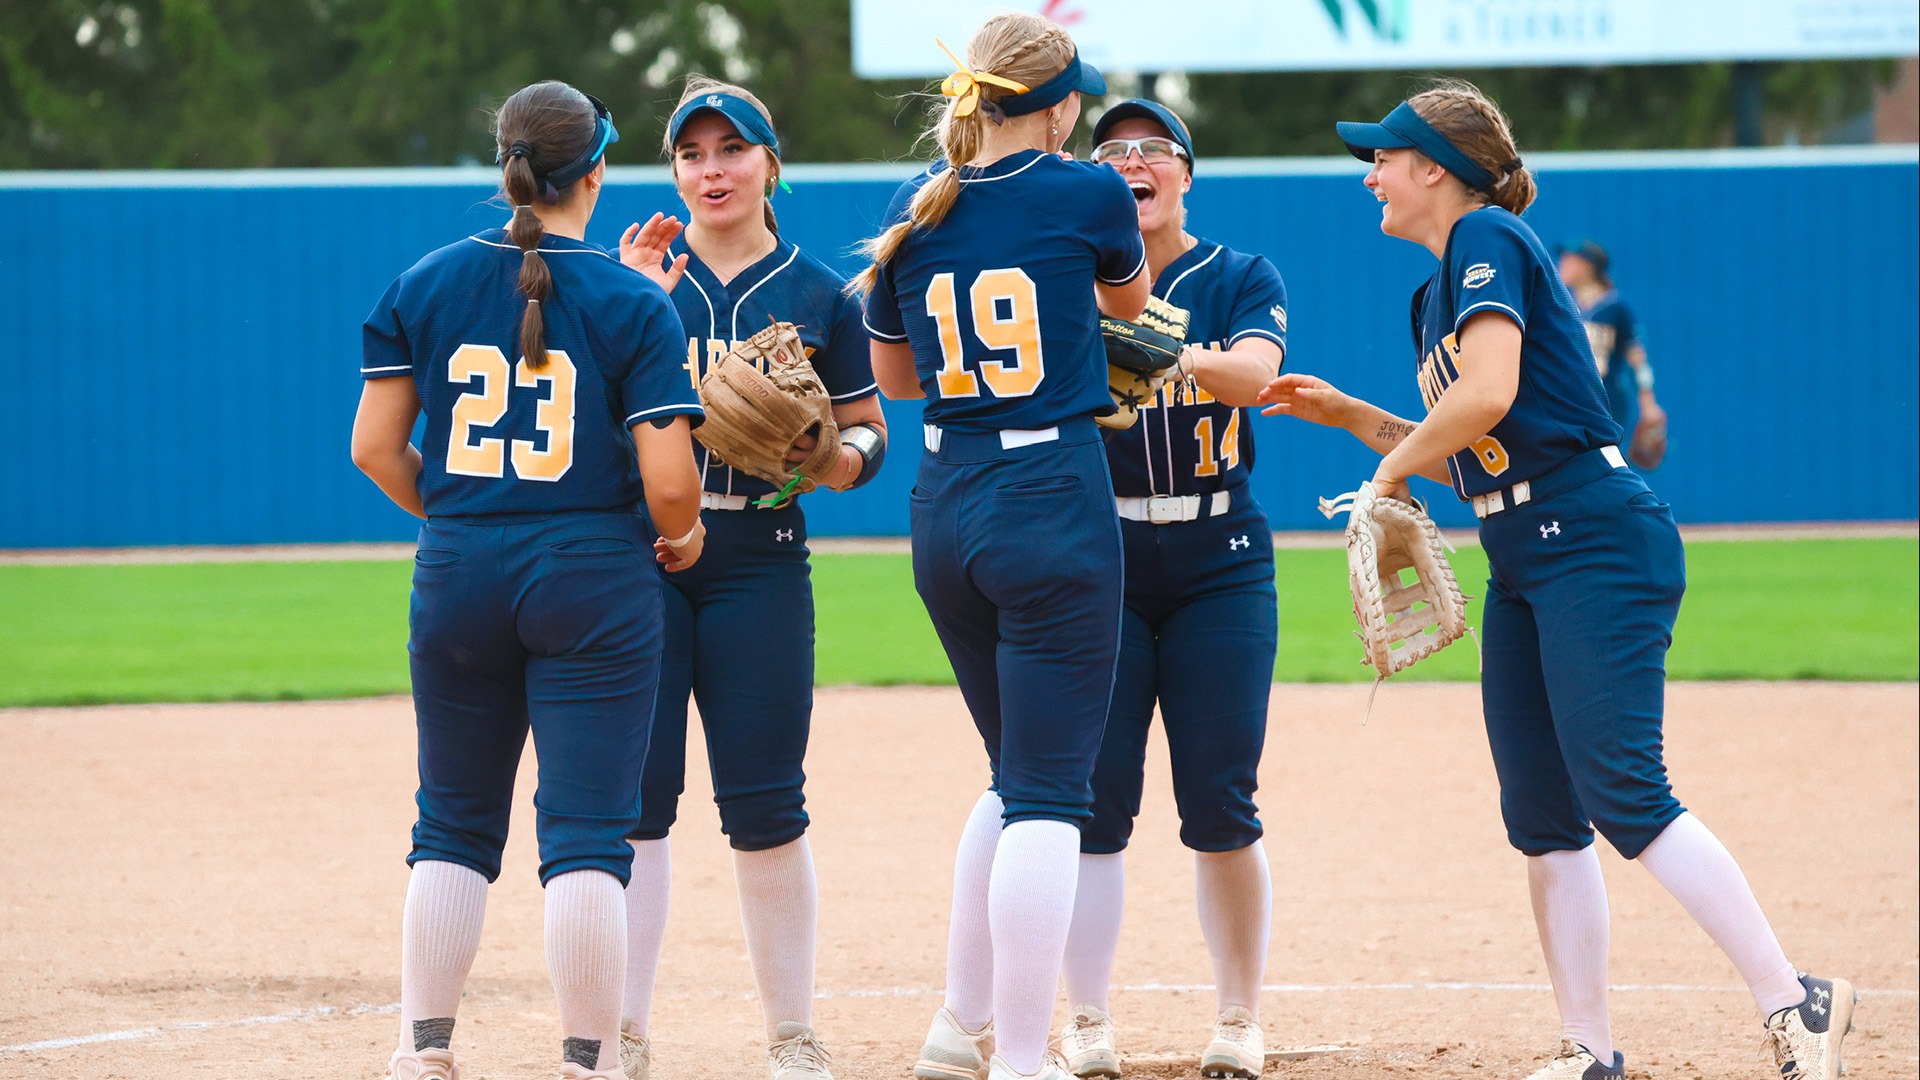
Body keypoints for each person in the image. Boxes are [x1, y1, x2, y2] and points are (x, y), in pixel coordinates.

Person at [1256, 80, 1855, 1080]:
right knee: (1541, 807)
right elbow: (1473, 452)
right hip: (1526, 546)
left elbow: (1485, 397)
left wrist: (1388, 469)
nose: (1371, 177)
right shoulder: (1436, 288)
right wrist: (1349, 416)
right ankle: (1589, 1049)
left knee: (1624, 790)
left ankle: (1796, 1003)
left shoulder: (1488, 237)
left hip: (1594, 536)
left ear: (1435, 171)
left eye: (1385, 158)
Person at [351, 81, 706, 1080]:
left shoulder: (421, 281)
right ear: (595, 170)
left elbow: (377, 450)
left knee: (452, 822)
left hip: (459, 568)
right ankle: (587, 1064)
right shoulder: (634, 299)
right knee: (589, 833)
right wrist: (680, 540)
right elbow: (671, 484)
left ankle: (423, 1052)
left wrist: (464, 520)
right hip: (592, 572)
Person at [851, 14, 1147, 1080]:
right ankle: (1023, 1058)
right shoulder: (1088, 192)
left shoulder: (914, 205)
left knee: (1014, 775)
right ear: (1060, 105)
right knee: (1050, 796)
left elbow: (892, 384)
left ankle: (954, 1028)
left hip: (947, 496)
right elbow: (1130, 307)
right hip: (1051, 492)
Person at [610, 75, 886, 1080]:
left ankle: (791, 1031)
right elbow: (586, 426)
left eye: (732, 150)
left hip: (760, 559)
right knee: (634, 803)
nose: (711, 170)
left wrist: (829, 459)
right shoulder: (637, 280)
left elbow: (868, 435)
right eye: (692, 154)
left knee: (767, 801)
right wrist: (633, 297)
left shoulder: (822, 292)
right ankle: (623, 1028)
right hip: (641, 558)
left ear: (771, 164)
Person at [1053, 99, 1286, 1080]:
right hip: (1100, 558)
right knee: (1091, 805)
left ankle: (1238, 1019)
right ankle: (1088, 1021)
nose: (1133, 162)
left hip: (1219, 557)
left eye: (1153, 149)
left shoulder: (1237, 276)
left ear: (1185, 172)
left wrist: (1163, 350)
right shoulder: (1067, 278)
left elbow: (1255, 374)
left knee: (1221, 799)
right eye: (1112, 153)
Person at [1556, 240, 1664, 454]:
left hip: (1606, 400)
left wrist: (1648, 401)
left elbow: (1637, 358)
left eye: (1569, 260)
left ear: (1587, 266)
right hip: (1567, 399)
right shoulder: (1560, 302)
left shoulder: (1616, 308)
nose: (1561, 265)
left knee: (1604, 462)